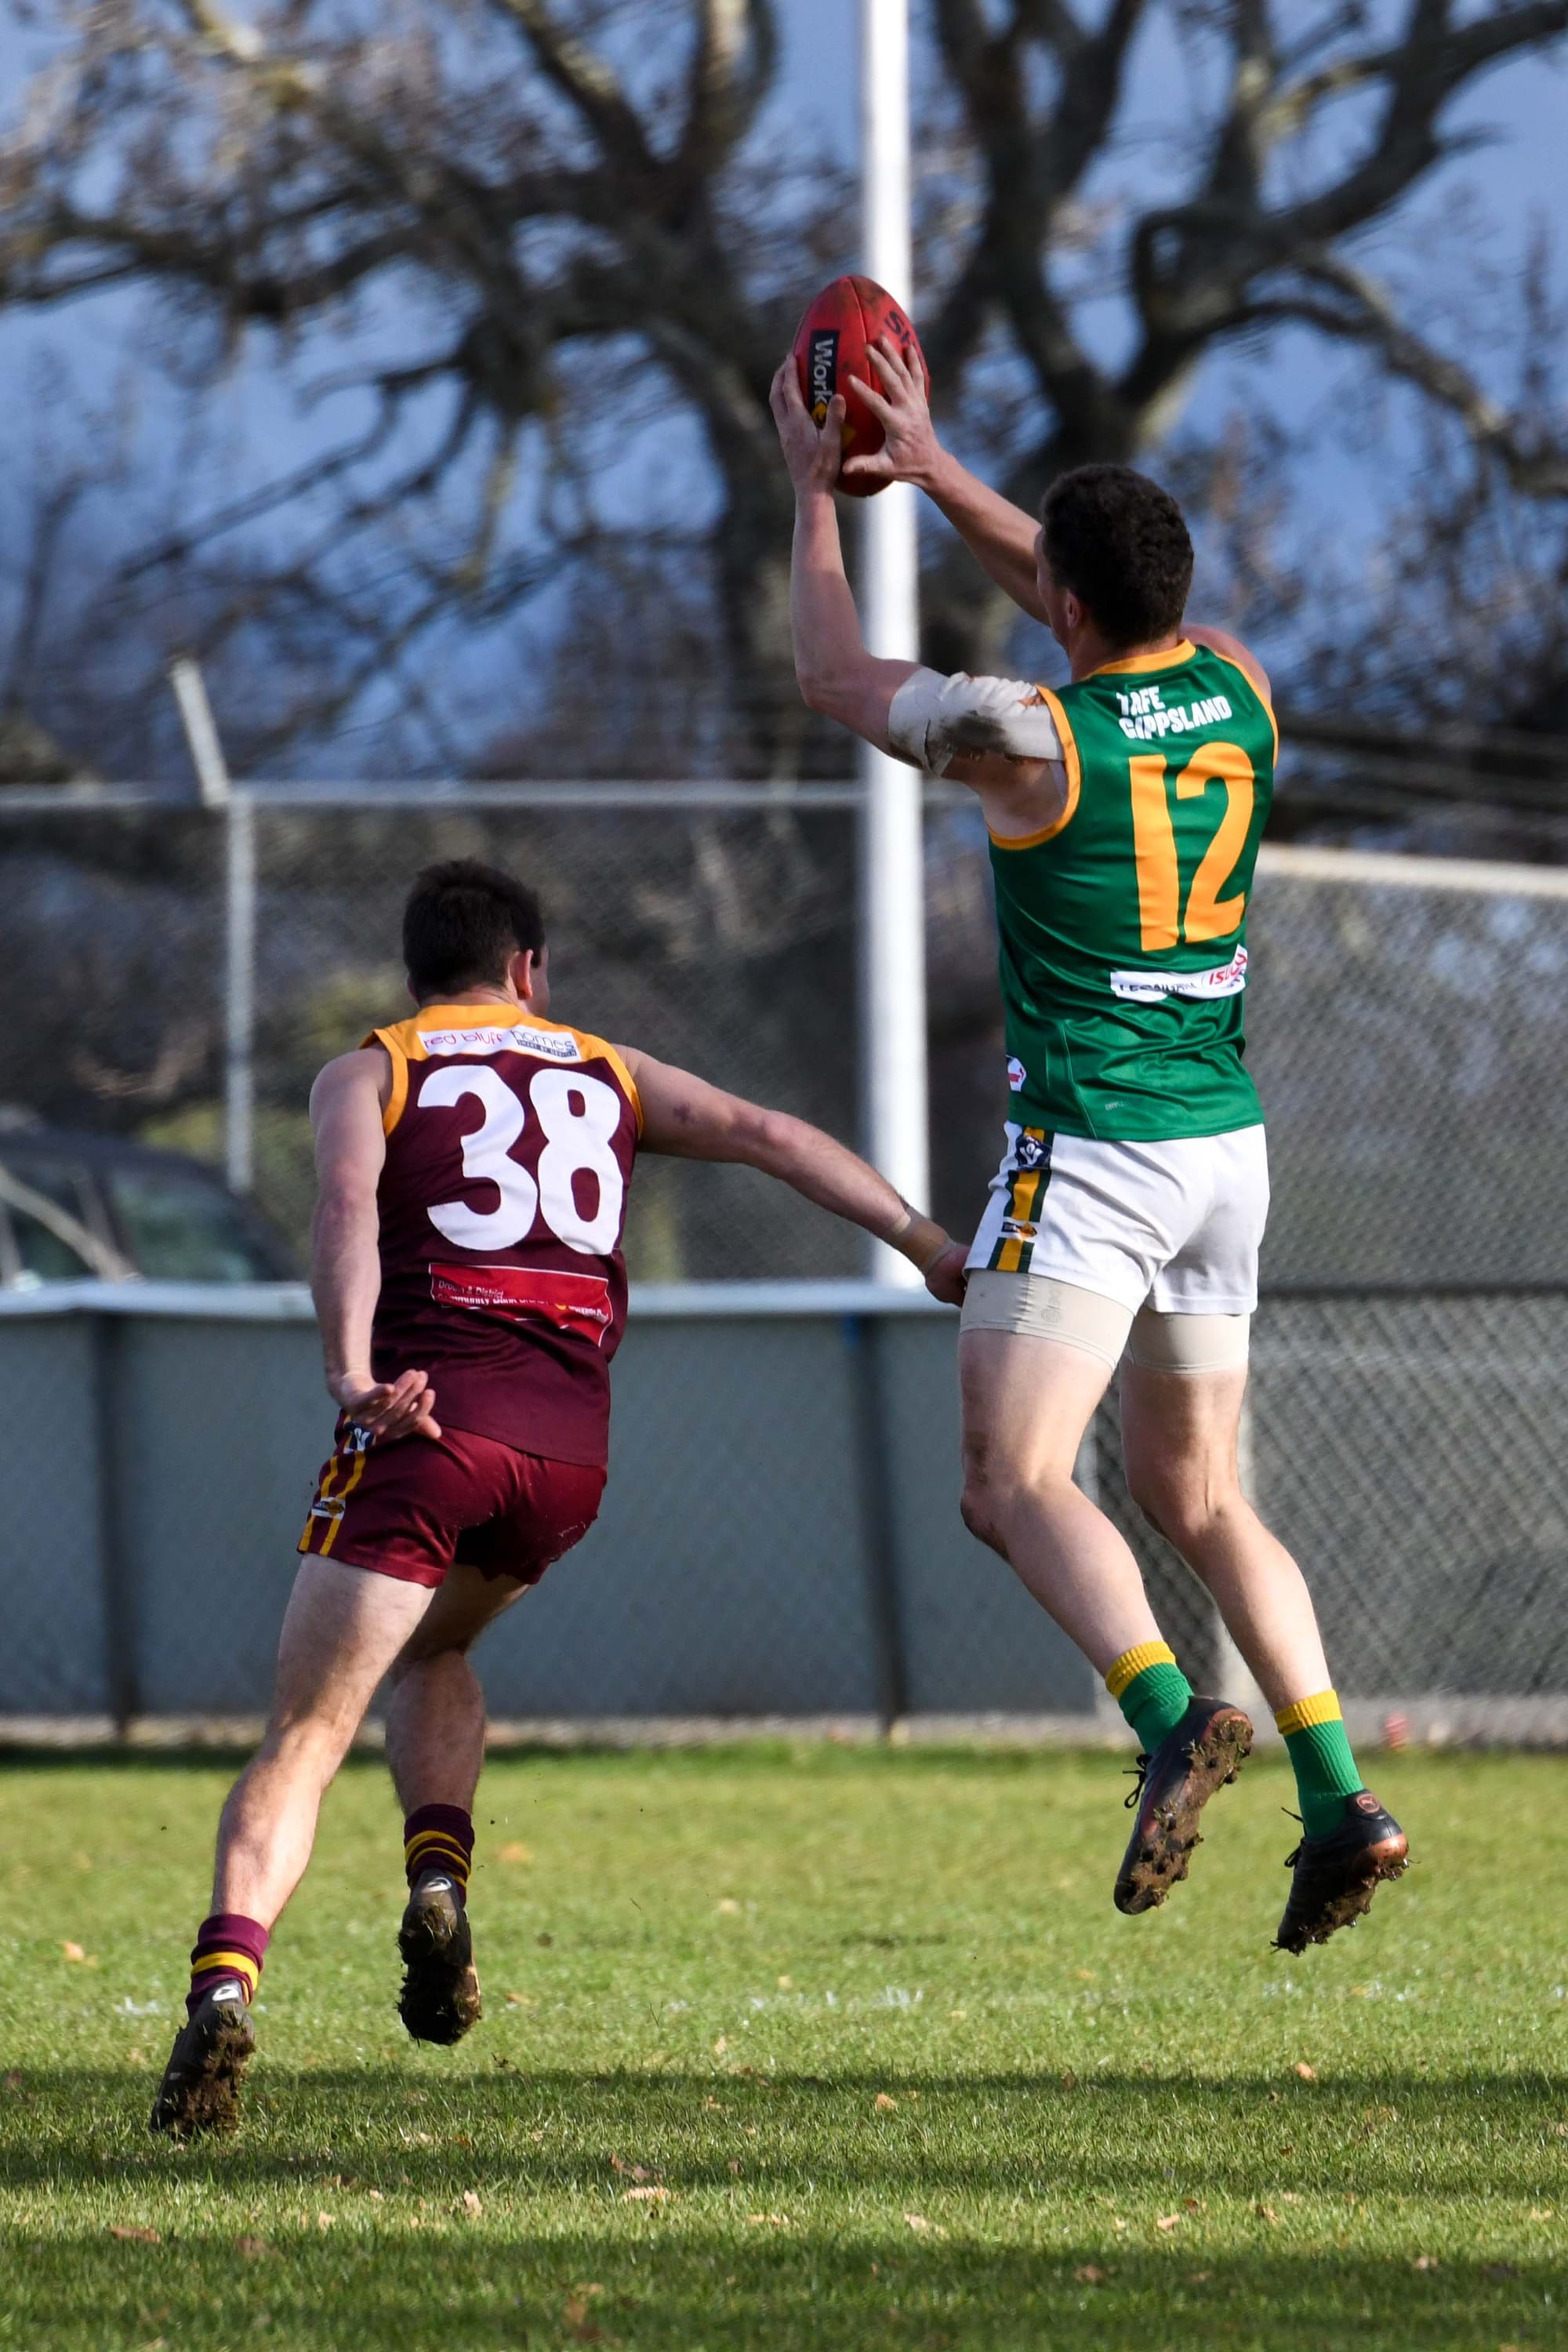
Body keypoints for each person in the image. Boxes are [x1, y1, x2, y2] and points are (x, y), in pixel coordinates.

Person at [151, 858, 960, 2138]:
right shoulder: (608, 1066)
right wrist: (924, 1244)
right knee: (441, 1642)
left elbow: (348, 1208)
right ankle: (438, 1881)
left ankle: (222, 1985)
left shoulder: (376, 1068)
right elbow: (773, 1136)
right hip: (565, 1455)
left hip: (429, 1425)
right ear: (530, 969)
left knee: (304, 1734)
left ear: (415, 971)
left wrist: (351, 1373)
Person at [769, 342, 1408, 1954]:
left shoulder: (1027, 734)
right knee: (1193, 1498)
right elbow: (1073, 589)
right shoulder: (1240, 688)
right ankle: (1342, 1798)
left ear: (1056, 606)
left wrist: (815, 498)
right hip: (1222, 1150)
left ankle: (1165, 1718)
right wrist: (924, 468)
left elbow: (833, 679)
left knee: (1010, 1480)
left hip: (1097, 1148)